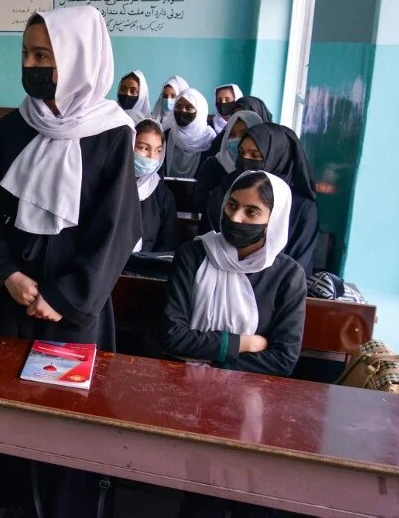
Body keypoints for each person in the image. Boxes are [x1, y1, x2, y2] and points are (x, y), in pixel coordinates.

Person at [0, 6, 141, 514]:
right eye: (26, 53)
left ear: (79, 60)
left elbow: (115, 232)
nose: (31, 64)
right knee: (6, 413)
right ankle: (12, 502)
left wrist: (61, 298)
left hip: (71, 314)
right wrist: (8, 275)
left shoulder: (113, 135)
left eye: (44, 55)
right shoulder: (15, 127)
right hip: (11, 300)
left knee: (65, 422)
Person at [164, 170, 306, 518]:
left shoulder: (287, 276)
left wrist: (207, 356)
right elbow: (172, 335)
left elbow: (282, 360)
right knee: (200, 501)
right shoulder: (193, 256)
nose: (235, 218)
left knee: (252, 499)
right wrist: (242, 343)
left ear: (274, 219)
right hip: (189, 398)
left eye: (252, 212)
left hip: (253, 404)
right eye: (231, 205)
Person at [202, 123, 320, 276]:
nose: (245, 160)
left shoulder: (303, 208)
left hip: (274, 288)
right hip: (218, 276)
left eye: (255, 156)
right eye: (242, 153)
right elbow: (208, 246)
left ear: (278, 158)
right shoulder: (224, 193)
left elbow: (299, 266)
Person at [192, 110, 263, 215]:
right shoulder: (211, 165)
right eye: (232, 134)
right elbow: (200, 203)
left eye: (243, 134)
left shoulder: (261, 169)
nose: (237, 139)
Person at [133, 119, 179, 253]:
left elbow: (168, 243)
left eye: (158, 151)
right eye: (143, 148)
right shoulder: (111, 185)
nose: (151, 157)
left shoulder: (163, 195)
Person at [163, 87, 216, 179]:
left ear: (200, 111)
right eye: (178, 107)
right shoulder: (167, 135)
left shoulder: (210, 138)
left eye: (189, 107)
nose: (183, 111)